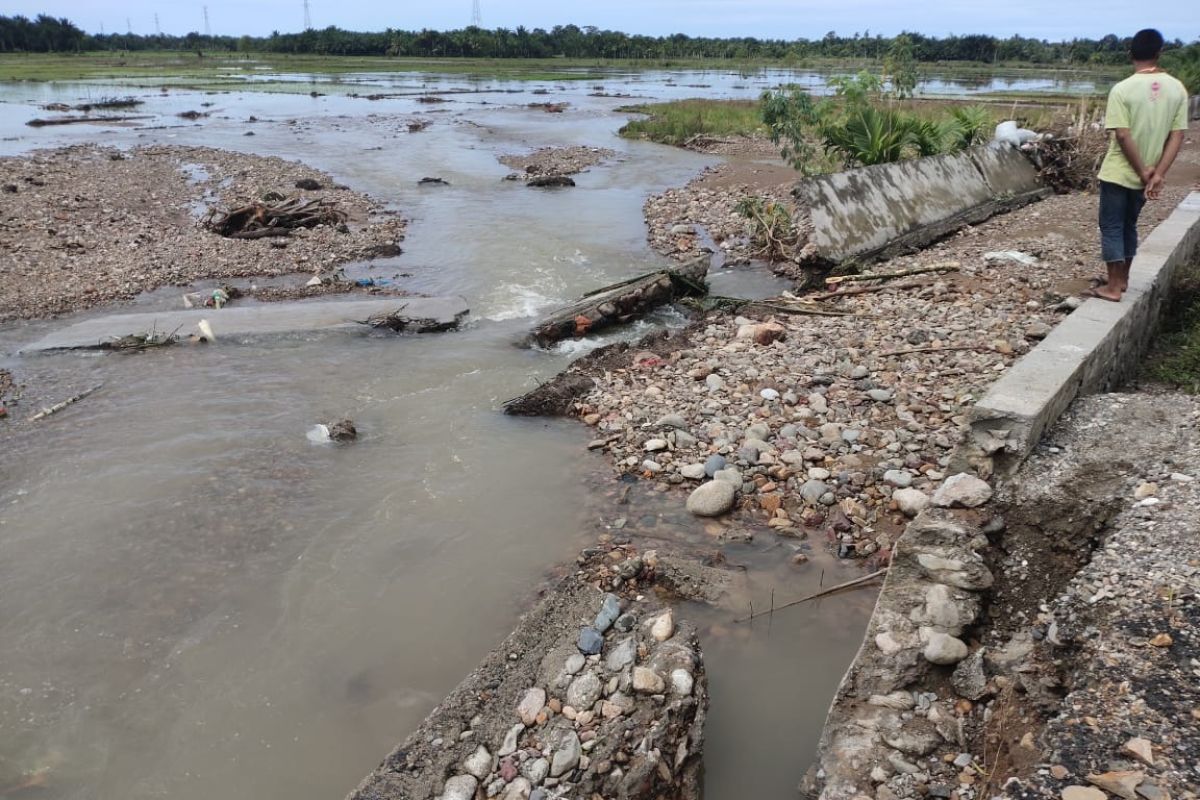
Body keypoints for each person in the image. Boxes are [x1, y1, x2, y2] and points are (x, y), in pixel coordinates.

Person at [1090, 28, 1188, 302]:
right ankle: (1122, 280)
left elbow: (1122, 134)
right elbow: (1177, 135)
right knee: (1129, 225)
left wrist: (1141, 169)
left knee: (1111, 226)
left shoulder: (1122, 89)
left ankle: (1112, 287)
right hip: (1148, 175)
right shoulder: (1177, 89)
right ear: (1159, 53)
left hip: (1119, 172)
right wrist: (1156, 173)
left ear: (1130, 53)